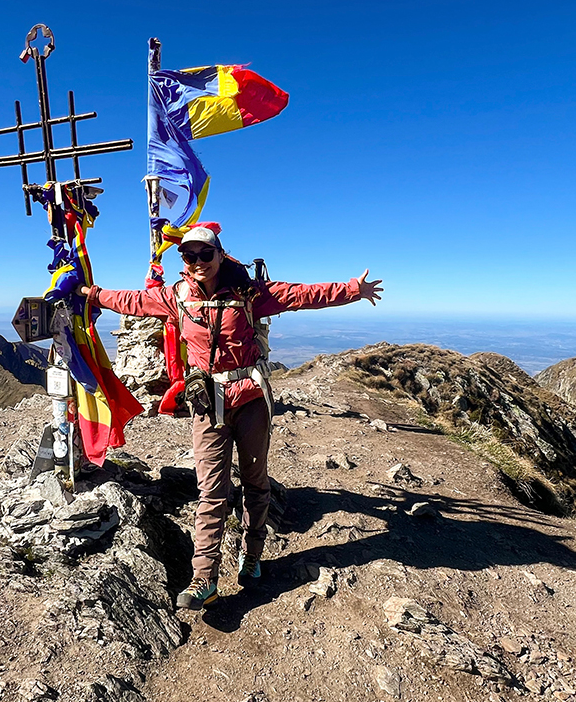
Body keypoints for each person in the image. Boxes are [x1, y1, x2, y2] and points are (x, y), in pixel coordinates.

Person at [78, 225, 383, 610]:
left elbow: (303, 295)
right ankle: (204, 577)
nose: (198, 262)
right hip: (208, 404)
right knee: (211, 491)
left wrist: (353, 290)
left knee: (255, 482)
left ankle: (251, 555)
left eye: (206, 254)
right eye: (190, 255)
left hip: (251, 399)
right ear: (183, 260)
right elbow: (135, 301)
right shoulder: (178, 296)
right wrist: (93, 293)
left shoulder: (249, 292)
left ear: (220, 255)